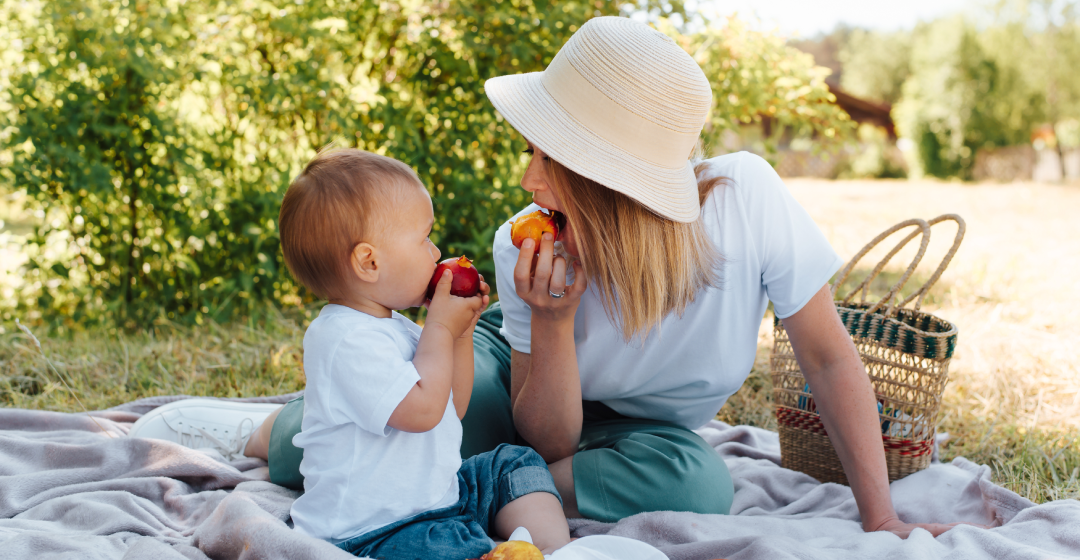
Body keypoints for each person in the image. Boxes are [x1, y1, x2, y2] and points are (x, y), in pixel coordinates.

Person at [131, 17, 970, 538]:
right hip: (531, 386)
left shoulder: (746, 199)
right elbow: (552, 439)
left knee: (703, 482)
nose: (528, 178)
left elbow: (827, 358)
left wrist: (880, 515)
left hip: (646, 431)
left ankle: (461, 479)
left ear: (609, 177)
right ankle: (267, 430)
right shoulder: (521, 243)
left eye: (546, 154)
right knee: (366, 441)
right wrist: (555, 322)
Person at [132, 148, 572, 558]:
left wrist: (459, 335)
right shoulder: (341, 340)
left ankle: (556, 550)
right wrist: (439, 326)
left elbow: (450, 408)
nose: (437, 252)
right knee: (444, 547)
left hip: (436, 501)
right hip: (375, 529)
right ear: (369, 262)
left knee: (512, 464)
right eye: (424, 239)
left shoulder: (395, 325)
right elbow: (420, 411)